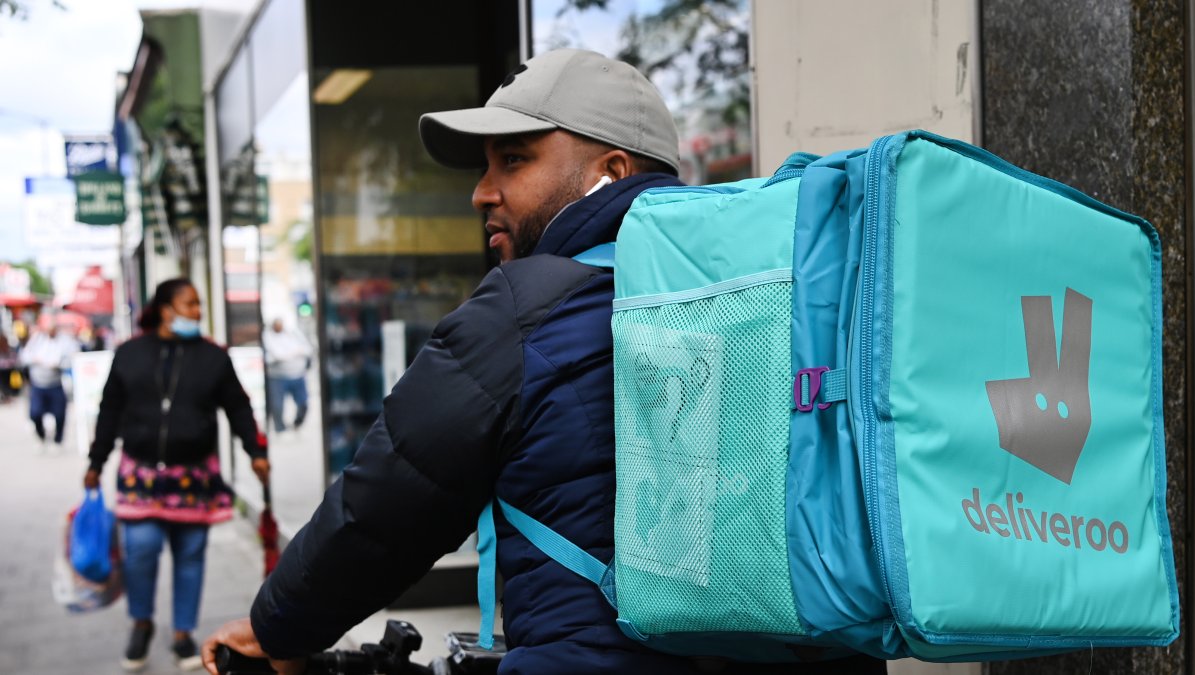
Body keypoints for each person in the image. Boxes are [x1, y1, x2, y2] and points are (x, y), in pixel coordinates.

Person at [203, 49, 884, 674]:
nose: (482, 191)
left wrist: (277, 626)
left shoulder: (526, 309)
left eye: (514, 161)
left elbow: (384, 507)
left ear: (610, 171)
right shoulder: (775, 295)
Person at [86, 278, 270, 672]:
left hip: (195, 478)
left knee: (190, 556)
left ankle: (183, 632)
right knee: (141, 550)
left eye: (199, 304)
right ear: (166, 309)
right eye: (191, 304)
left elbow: (239, 407)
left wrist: (255, 451)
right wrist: (95, 462)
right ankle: (141, 622)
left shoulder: (213, 357)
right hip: (141, 477)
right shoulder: (130, 353)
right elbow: (109, 411)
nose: (198, 311)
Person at [20, 322, 78, 443]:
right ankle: (41, 435)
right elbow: (24, 357)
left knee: (60, 414)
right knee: (35, 413)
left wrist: (58, 364)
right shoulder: (36, 340)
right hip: (38, 384)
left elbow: (73, 358)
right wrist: (35, 359)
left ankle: (58, 439)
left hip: (55, 383)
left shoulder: (64, 341)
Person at [262, 318, 312, 432]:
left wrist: (291, 354)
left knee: (303, 403)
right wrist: (294, 353)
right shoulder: (268, 337)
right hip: (277, 378)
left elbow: (307, 349)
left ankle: (297, 423)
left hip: (298, 375)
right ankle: (280, 429)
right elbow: (276, 355)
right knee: (277, 406)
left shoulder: (293, 335)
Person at [0, 333, 18, 403]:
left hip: (9, 371)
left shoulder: (9, 350)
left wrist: (9, 364)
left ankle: (7, 394)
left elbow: (14, 359)